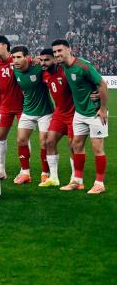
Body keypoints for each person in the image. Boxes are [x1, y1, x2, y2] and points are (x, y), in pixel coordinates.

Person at [53, 39, 109, 194]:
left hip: (95, 113)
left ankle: (99, 183)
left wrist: (103, 109)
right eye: (55, 52)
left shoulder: (83, 66)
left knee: (97, 147)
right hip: (79, 113)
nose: (57, 54)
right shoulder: (63, 66)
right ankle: (77, 181)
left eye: (60, 51)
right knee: (76, 145)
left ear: (69, 50)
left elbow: (103, 85)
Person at [11, 46, 53, 185]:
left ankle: (45, 174)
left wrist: (39, 59)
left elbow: (52, 63)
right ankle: (25, 173)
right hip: (28, 111)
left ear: (26, 57)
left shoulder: (38, 67)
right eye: (14, 57)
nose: (15, 60)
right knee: (21, 140)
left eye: (19, 57)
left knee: (44, 142)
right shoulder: (14, 70)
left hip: (45, 112)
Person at [39, 48, 75, 188]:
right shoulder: (44, 74)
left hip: (74, 114)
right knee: (49, 142)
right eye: (41, 60)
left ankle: (74, 178)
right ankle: (53, 178)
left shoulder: (66, 71)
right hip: (59, 113)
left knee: (73, 146)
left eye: (47, 60)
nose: (43, 63)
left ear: (55, 59)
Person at [0, 35, 24, 180]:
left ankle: (25, 170)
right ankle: (1, 170)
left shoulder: (16, 60)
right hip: (5, 105)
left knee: (23, 138)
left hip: (23, 106)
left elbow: (30, 63)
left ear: (5, 45)